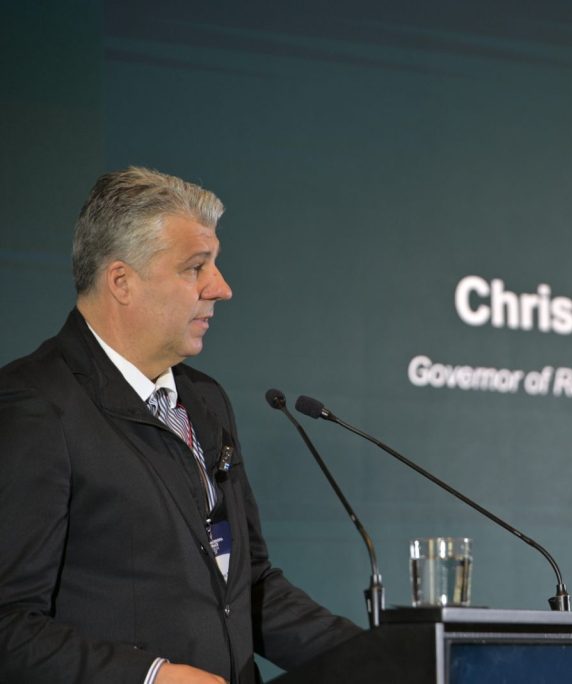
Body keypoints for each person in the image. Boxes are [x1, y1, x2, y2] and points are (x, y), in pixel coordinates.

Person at [0, 167, 363, 683]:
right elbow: (9, 624)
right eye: (196, 267)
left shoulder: (205, 399)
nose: (222, 288)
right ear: (121, 281)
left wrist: (378, 657)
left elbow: (248, 587)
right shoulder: (36, 404)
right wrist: (150, 677)